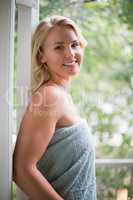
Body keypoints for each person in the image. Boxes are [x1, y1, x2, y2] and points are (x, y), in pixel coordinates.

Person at [13, 15, 97, 200]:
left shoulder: (62, 96)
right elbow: (21, 170)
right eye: (59, 47)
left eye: (74, 44)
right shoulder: (49, 96)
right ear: (41, 55)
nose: (70, 53)